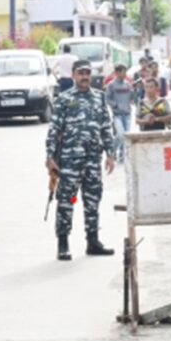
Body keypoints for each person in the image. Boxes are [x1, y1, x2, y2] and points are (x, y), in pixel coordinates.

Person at [45, 59, 117, 261]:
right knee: (68, 200)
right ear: (74, 75)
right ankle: (63, 243)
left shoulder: (99, 98)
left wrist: (110, 154)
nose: (85, 77)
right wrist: (50, 156)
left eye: (87, 73)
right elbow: (54, 129)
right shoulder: (64, 99)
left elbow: (105, 127)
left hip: (92, 160)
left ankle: (92, 241)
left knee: (92, 200)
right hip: (69, 161)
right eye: (81, 73)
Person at [106, 64, 135, 163]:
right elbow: (107, 99)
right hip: (117, 115)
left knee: (125, 136)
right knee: (120, 134)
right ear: (117, 72)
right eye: (123, 71)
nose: (125, 74)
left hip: (127, 114)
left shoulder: (128, 84)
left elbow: (132, 96)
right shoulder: (111, 85)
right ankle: (112, 151)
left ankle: (122, 156)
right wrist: (115, 105)